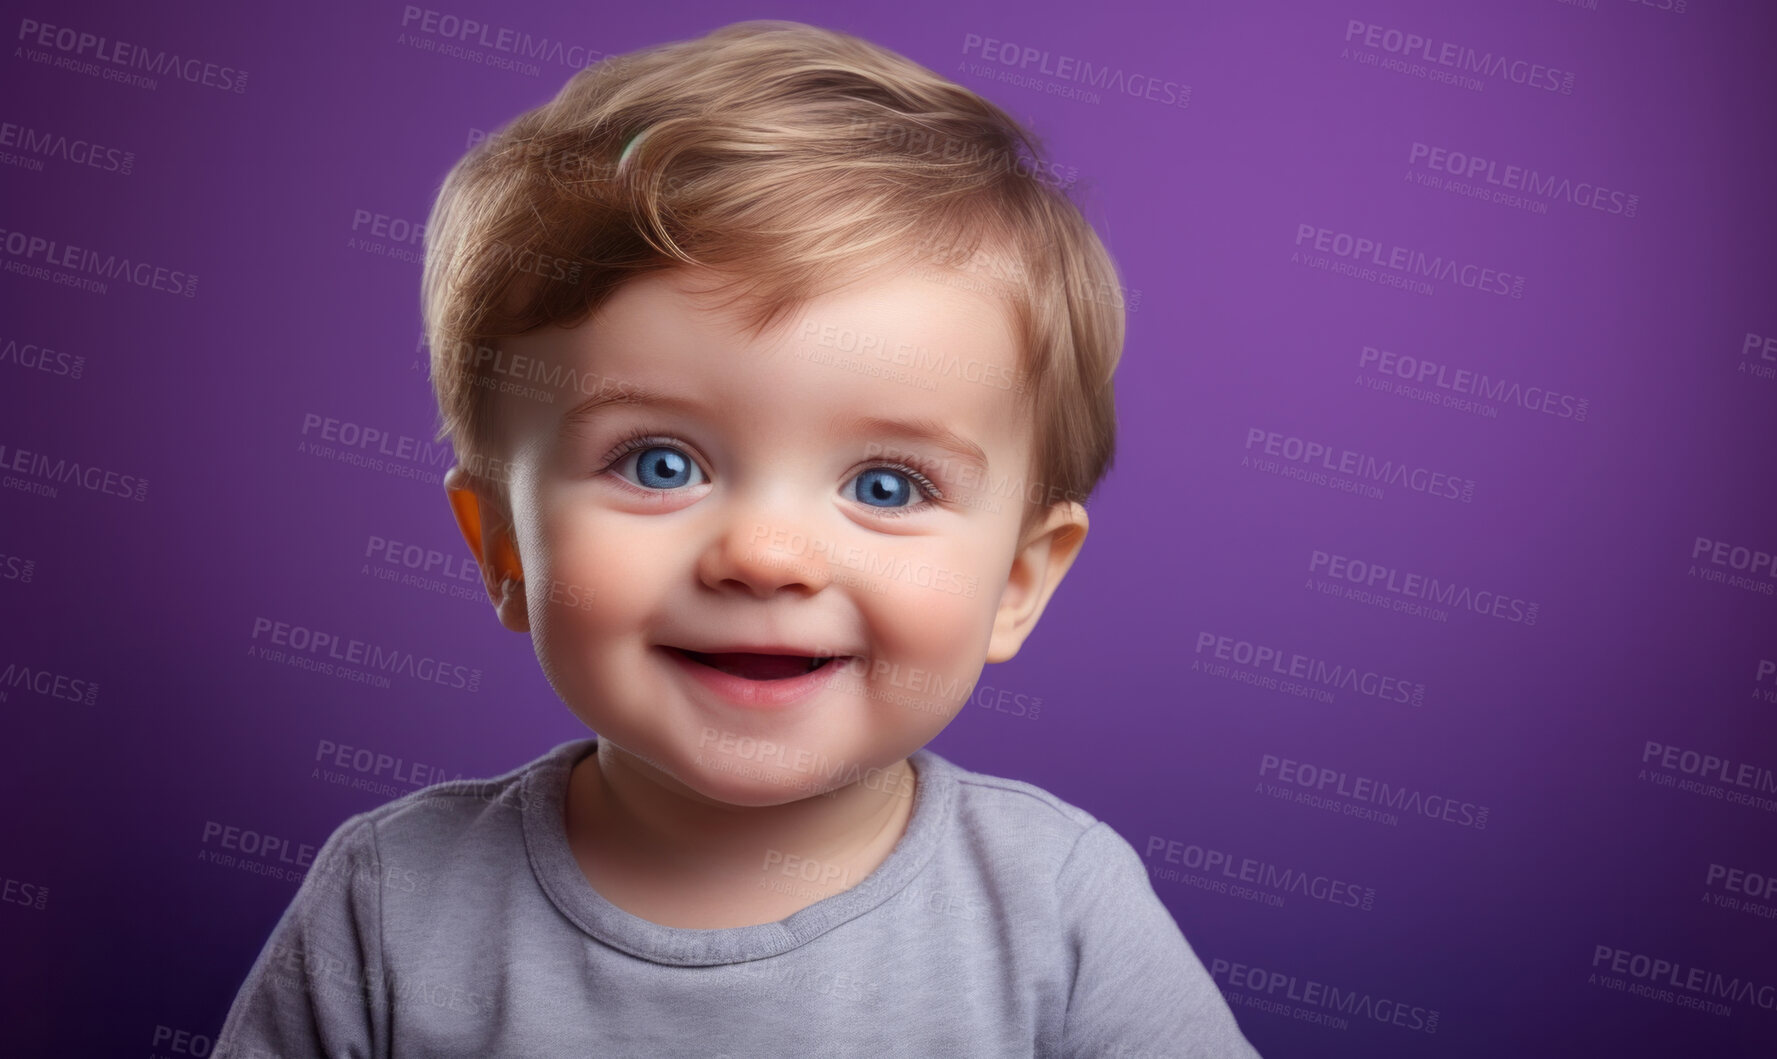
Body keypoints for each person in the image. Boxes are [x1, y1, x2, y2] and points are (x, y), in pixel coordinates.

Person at [215, 19, 1261, 1058]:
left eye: (886, 484)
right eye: (658, 464)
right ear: (504, 552)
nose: (764, 557)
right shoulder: (391, 903)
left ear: (1017, 584)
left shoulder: (1057, 908)